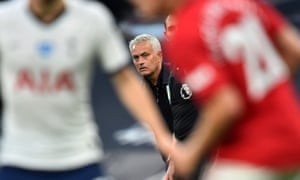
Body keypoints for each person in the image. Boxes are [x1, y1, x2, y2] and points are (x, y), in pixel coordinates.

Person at [0, 0, 172, 179]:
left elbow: (126, 80)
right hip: (17, 159)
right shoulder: (4, 19)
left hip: (79, 159)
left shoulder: (92, 18)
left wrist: (162, 137)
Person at [130, 0, 300, 179]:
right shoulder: (240, 4)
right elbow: (294, 50)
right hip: (292, 139)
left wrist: (191, 154)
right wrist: (260, 95)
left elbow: (225, 104)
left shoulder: (186, 33)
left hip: (250, 156)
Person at [129, 33, 205, 179]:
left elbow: (184, 125)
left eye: (145, 55)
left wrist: (175, 161)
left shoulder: (178, 79)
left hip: (194, 151)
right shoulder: (143, 89)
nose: (140, 62)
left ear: (160, 54)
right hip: (172, 156)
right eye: (136, 58)